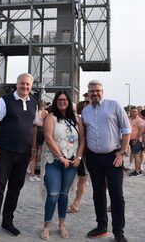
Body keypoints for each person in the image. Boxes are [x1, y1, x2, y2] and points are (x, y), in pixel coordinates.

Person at [0, 73, 37, 242]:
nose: (25, 87)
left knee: (15, 189)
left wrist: (34, 148)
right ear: (17, 84)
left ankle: (7, 221)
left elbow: (34, 127)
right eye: (22, 84)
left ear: (31, 86)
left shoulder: (34, 103)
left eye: (28, 85)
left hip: (24, 153)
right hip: (4, 152)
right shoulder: (5, 100)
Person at [82, 80, 131, 242]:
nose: (94, 93)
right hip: (93, 158)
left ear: (102, 91)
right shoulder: (86, 111)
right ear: (88, 93)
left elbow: (126, 129)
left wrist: (122, 153)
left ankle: (118, 232)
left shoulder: (114, 105)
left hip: (113, 157)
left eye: (97, 90)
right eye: (91, 91)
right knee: (98, 193)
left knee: (116, 194)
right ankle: (101, 226)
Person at [40, 90, 85, 240]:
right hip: (53, 161)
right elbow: (48, 137)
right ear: (55, 102)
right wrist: (60, 157)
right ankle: (47, 227)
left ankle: (61, 225)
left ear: (69, 101)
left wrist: (78, 156)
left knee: (64, 194)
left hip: (72, 163)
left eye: (64, 100)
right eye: (59, 100)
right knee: (53, 194)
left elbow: (82, 139)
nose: (62, 102)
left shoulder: (77, 119)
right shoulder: (50, 117)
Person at [67, 100, 89, 213]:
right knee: (81, 179)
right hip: (77, 153)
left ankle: (76, 203)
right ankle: (75, 202)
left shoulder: (81, 119)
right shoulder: (78, 119)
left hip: (87, 153)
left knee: (83, 179)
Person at [28, 99, 48, 182]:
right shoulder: (45, 112)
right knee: (44, 153)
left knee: (34, 153)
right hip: (41, 131)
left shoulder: (34, 111)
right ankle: (44, 174)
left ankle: (32, 174)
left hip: (33, 131)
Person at [128, 106, 145, 177]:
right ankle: (138, 170)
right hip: (131, 139)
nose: (134, 113)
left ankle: (137, 171)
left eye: (135, 111)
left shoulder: (139, 120)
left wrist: (137, 138)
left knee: (136, 155)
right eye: (132, 111)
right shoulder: (130, 119)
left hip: (136, 140)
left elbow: (142, 129)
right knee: (135, 155)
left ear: (137, 112)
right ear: (130, 112)